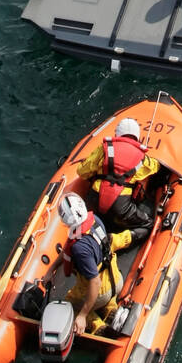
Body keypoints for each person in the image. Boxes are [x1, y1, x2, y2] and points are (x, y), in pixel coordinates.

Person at [59, 192, 146, 336]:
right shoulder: (95, 220)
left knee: (70, 304)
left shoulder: (80, 248)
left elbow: (95, 282)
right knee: (105, 293)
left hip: (100, 292)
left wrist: (82, 315)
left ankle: (96, 325)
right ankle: (110, 311)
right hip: (116, 282)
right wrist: (52, 269)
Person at [74, 117, 159, 236]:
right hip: (120, 207)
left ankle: (89, 231)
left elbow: (82, 172)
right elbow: (155, 167)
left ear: (117, 134)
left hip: (94, 201)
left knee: (84, 219)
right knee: (149, 224)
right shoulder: (142, 157)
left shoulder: (104, 148)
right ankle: (116, 241)